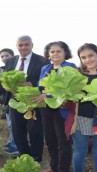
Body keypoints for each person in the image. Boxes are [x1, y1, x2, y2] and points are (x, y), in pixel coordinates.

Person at [2, 35, 48, 162]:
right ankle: (24, 156)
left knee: (36, 131)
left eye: (26, 44)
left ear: (32, 45)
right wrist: (4, 86)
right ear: (16, 46)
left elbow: (46, 81)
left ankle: (36, 158)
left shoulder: (42, 60)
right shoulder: (10, 61)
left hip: (34, 100)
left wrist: (32, 84)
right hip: (15, 100)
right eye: (20, 45)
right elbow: (5, 79)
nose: (23, 47)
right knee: (17, 131)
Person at [32, 41, 76, 172]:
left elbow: (69, 89)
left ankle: (63, 169)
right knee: (50, 140)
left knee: (63, 142)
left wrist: (48, 96)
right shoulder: (45, 68)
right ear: (48, 54)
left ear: (65, 53)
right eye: (52, 51)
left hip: (62, 109)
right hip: (46, 109)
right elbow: (41, 88)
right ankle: (53, 167)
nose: (55, 54)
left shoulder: (70, 67)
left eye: (59, 51)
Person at [72, 43, 97, 172]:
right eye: (84, 57)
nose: (88, 60)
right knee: (80, 152)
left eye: (91, 55)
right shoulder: (77, 75)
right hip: (81, 118)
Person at [0, 48, 19, 156]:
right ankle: (11, 143)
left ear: (13, 56)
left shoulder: (16, 69)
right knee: (10, 124)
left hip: (13, 101)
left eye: (7, 55)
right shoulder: (3, 70)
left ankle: (15, 146)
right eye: (2, 56)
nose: (4, 58)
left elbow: (6, 87)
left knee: (13, 125)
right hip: (6, 102)